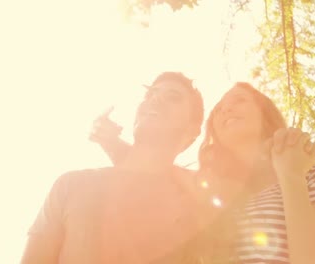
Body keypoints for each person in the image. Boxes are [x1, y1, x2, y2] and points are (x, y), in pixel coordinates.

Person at [91, 82, 315, 263]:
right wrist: (113, 143)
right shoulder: (209, 189)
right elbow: (158, 173)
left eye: (239, 100)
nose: (226, 109)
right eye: (220, 108)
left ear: (264, 115)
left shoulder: (311, 175)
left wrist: (290, 175)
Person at [21, 71, 212, 264]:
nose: (155, 100)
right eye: (150, 94)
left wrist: (115, 146)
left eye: (173, 97)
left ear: (193, 130)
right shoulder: (71, 185)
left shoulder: (198, 201)